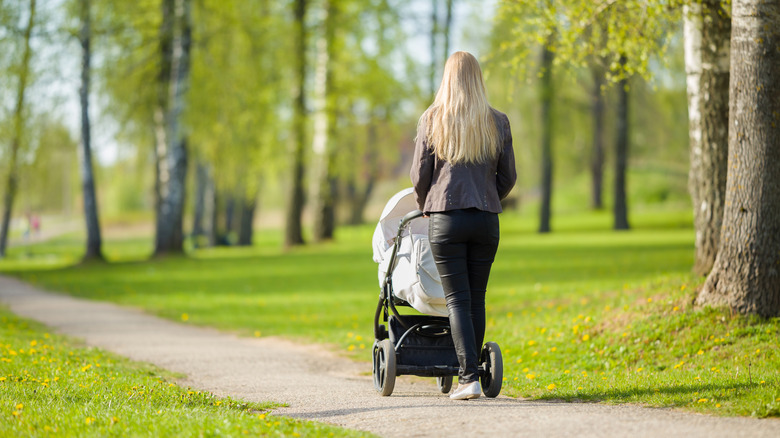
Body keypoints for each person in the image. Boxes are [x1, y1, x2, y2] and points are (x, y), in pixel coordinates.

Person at [410, 51, 516, 400]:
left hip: (446, 218)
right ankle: (475, 373)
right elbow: (509, 177)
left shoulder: (432, 120)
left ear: (448, 79)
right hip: (485, 219)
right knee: (477, 299)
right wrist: (487, 196)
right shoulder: (497, 121)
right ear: (477, 78)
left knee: (457, 299)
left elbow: (419, 176)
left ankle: (468, 376)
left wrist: (426, 205)